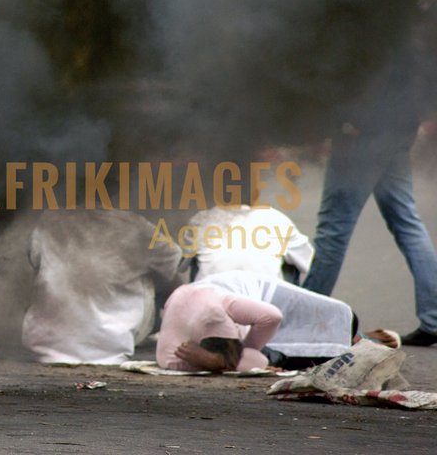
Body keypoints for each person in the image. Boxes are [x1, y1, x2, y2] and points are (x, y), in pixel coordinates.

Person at [301, 49, 437, 347]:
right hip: (399, 127)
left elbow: (357, 71)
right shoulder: (407, 18)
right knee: (406, 220)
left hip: (363, 134)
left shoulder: (368, 18)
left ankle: (305, 315)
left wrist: (347, 122)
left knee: (334, 228)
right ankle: (433, 317)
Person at [22, 210, 183, 365]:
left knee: (45, 272)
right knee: (156, 279)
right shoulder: (136, 226)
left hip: (44, 352)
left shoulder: (50, 220)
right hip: (111, 354)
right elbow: (175, 283)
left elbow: (34, 264)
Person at [157, 270, 357, 372]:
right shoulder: (218, 301)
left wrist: (248, 349)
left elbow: (272, 316)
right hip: (234, 301)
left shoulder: (218, 300)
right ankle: (359, 339)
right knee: (272, 356)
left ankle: (359, 338)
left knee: (346, 320)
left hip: (249, 291)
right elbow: (270, 322)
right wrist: (248, 354)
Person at [182, 197, 314, 284]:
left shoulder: (201, 219)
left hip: (214, 306)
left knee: (195, 259)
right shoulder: (277, 218)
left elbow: (181, 267)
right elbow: (311, 263)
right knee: (291, 262)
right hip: (265, 309)